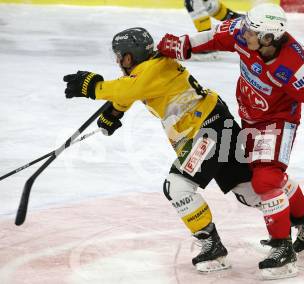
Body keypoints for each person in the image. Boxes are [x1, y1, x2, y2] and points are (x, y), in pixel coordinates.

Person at [157, 2, 304, 279]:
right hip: (250, 118)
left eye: (252, 32)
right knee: (258, 183)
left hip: (277, 122)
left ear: (270, 38)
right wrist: (185, 45)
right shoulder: (247, 35)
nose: (244, 34)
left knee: (265, 180)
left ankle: (283, 250)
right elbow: (217, 37)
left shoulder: (292, 65)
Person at [62, 27, 269, 274]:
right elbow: (132, 89)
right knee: (249, 190)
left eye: (120, 56)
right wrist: (115, 111)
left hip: (207, 131)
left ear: (130, 56)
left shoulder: (150, 71)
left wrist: (93, 87)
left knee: (178, 185)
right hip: (216, 122)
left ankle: (211, 246)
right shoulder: (153, 66)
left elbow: (129, 88)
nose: (118, 61)